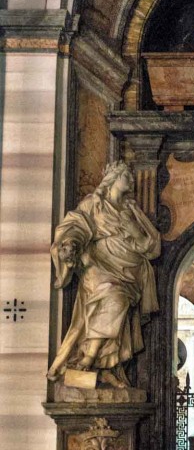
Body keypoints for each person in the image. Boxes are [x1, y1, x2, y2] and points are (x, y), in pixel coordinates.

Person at [47, 162, 161, 388]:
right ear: (113, 179)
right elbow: (76, 225)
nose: (130, 180)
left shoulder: (132, 210)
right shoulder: (95, 204)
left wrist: (135, 232)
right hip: (98, 265)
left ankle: (104, 367)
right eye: (126, 176)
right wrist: (71, 243)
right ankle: (89, 357)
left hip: (130, 271)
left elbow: (151, 245)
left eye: (129, 176)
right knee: (113, 297)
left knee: (118, 303)